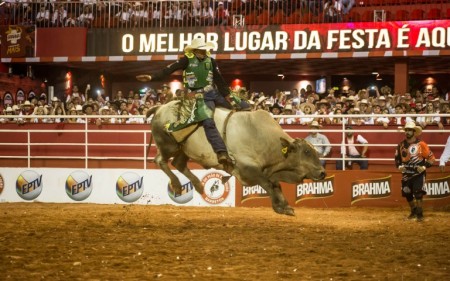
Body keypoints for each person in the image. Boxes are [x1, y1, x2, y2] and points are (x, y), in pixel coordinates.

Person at [136, 37, 237, 172]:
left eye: (204, 50)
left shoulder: (211, 61)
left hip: (213, 92)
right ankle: (221, 152)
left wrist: (229, 96)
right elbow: (169, 69)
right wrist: (152, 77)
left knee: (238, 110)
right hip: (197, 96)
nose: (203, 52)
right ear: (194, 50)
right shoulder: (186, 60)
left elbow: (219, 79)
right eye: (201, 50)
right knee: (208, 122)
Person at [395, 121, 435, 221]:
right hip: (406, 174)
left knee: (418, 193)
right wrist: (399, 166)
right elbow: (397, 159)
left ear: (414, 131)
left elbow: (431, 158)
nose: (407, 132)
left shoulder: (421, 144)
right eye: (406, 130)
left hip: (418, 173)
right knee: (407, 193)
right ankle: (413, 211)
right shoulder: (401, 145)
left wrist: (424, 167)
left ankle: (420, 214)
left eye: (409, 130)